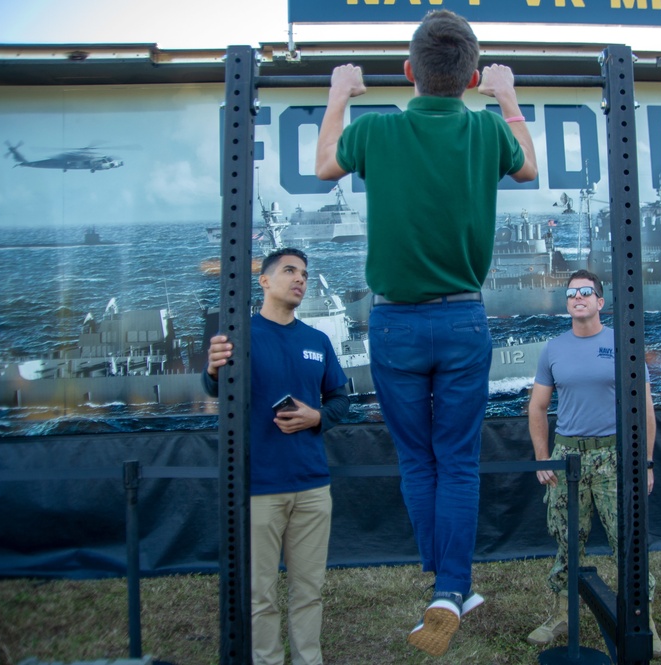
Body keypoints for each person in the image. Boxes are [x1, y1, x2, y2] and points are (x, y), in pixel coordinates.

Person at [314, 8, 537, 658]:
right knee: (459, 459)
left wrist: (339, 93)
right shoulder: (488, 130)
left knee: (417, 459)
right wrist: (508, 94)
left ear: (409, 72)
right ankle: (452, 588)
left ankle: (446, 584)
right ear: (470, 78)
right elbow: (528, 169)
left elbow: (326, 162)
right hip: (462, 316)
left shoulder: (378, 132)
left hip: (393, 323)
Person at [203, 247, 350, 665]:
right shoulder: (239, 336)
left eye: (304, 272)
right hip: (260, 488)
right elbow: (215, 389)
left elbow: (341, 401)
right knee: (259, 593)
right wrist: (213, 370)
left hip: (312, 486)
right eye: (289, 271)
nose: (299, 278)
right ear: (264, 281)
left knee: (310, 590)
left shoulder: (317, 341)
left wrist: (315, 417)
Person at [526, 269, 661, 657]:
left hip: (614, 457)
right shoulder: (553, 349)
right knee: (567, 540)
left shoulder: (625, 344)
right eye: (571, 294)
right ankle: (562, 614)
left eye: (586, 292)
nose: (578, 298)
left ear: (600, 302)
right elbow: (537, 407)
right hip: (568, 457)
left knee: (628, 542)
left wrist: (646, 462)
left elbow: (645, 408)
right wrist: (541, 458)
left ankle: (642, 620)